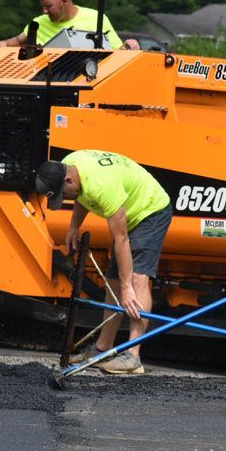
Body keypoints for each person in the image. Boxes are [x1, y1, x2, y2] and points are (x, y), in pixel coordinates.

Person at [35, 150, 171, 375]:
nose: (65, 198)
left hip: (151, 211)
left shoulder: (102, 185)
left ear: (68, 180)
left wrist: (127, 289)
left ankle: (132, 356)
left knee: (137, 279)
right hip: (129, 214)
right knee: (113, 282)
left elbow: (121, 239)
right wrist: (73, 227)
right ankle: (102, 349)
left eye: (63, 193)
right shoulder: (69, 166)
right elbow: (81, 196)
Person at [0, 0, 139, 50]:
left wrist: (128, 46)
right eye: (43, 6)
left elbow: (117, 53)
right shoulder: (38, 23)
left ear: (64, 1)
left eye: (48, 6)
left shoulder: (96, 19)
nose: (44, 11)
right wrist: (2, 45)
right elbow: (15, 42)